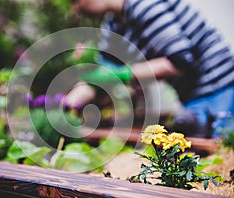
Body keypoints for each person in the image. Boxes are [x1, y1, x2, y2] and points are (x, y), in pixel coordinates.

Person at [66, 0, 234, 138]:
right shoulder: (113, 24)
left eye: (74, 1)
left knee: (221, 154)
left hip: (221, 88)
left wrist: (123, 73)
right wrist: (67, 103)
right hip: (193, 97)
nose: (75, 10)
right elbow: (103, 72)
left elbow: (181, 61)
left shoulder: (145, 5)